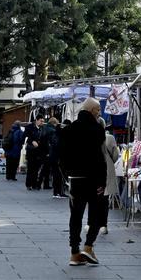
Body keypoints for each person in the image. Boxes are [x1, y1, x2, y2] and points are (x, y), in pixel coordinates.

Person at [59, 97, 106, 267]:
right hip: (93, 179)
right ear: (92, 111)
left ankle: (74, 252)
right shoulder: (97, 129)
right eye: (98, 110)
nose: (99, 113)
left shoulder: (68, 130)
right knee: (95, 214)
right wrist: (103, 181)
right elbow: (100, 158)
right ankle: (88, 246)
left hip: (75, 180)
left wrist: (67, 176)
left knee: (75, 216)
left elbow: (61, 157)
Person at [98, 118, 120, 233]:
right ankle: (103, 225)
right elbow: (116, 155)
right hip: (106, 170)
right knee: (104, 199)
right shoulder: (110, 138)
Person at [23, 114, 47, 191]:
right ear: (36, 120)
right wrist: (32, 141)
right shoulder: (29, 127)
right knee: (30, 168)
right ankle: (28, 184)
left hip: (39, 152)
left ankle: (34, 184)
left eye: (43, 121)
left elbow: (44, 140)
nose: (42, 123)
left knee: (36, 169)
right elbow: (25, 137)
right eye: (41, 121)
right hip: (31, 151)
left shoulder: (43, 128)